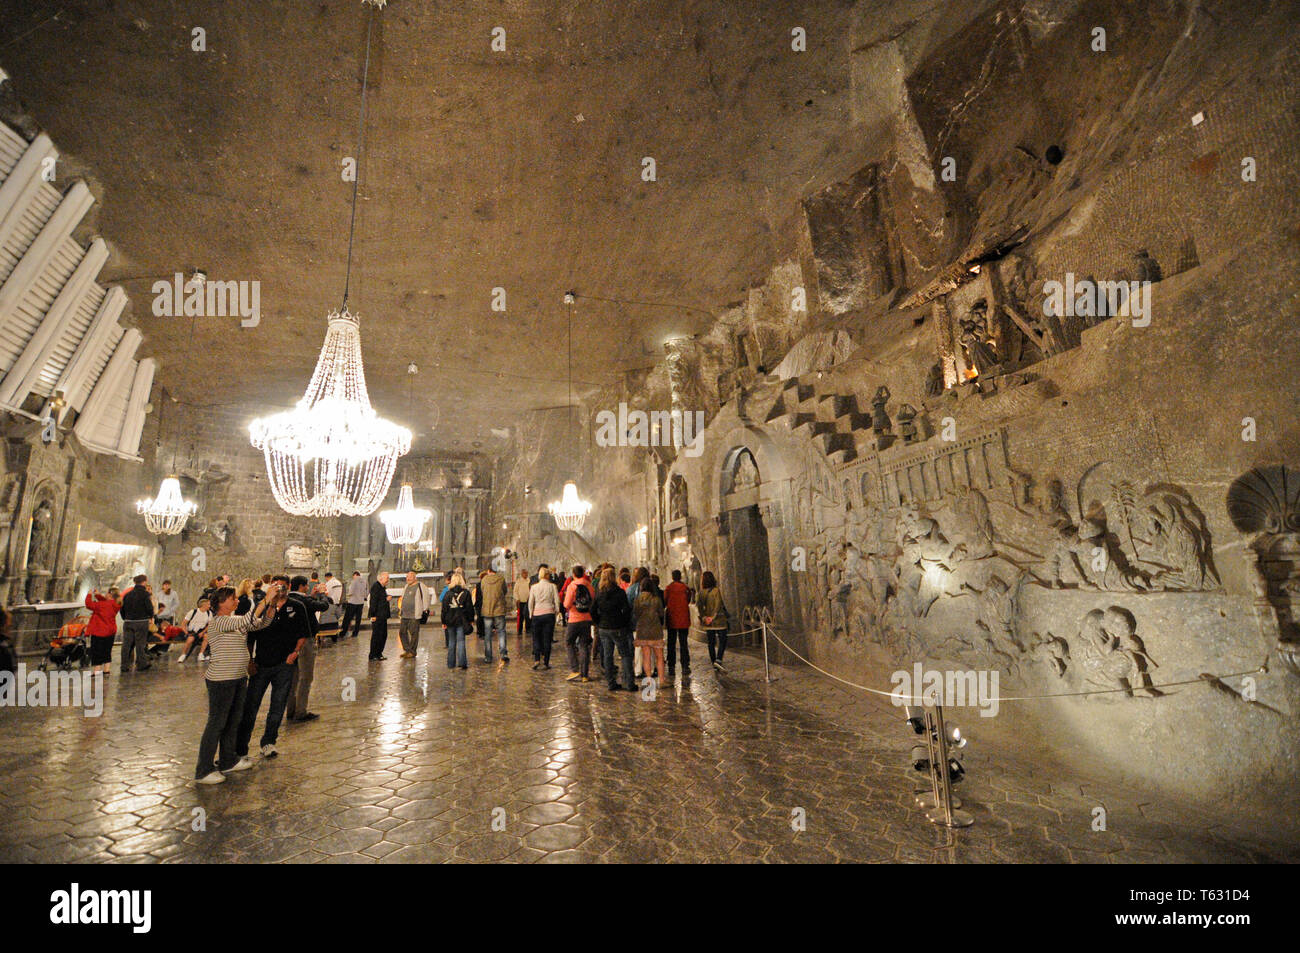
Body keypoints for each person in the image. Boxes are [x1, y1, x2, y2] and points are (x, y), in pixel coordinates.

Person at [195, 585, 279, 784]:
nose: (237, 601)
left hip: (238, 677)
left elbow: (260, 624)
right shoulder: (219, 622)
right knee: (216, 724)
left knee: (233, 721)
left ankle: (228, 760)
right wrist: (264, 599)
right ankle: (203, 769)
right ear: (222, 603)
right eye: (233, 598)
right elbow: (248, 619)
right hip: (221, 680)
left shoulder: (233, 620)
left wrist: (272, 605)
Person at [236, 577, 308, 760]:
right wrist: (249, 661)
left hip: (284, 664)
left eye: (283, 586)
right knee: (250, 706)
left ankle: (268, 742)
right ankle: (241, 748)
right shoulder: (261, 608)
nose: (280, 589)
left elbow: (303, 633)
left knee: (277, 706)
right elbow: (250, 635)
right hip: (261, 663)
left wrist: (295, 652)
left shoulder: (297, 607)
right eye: (276, 586)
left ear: (289, 587)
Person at [287, 575, 331, 721]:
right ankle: (301, 712)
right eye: (306, 586)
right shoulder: (304, 601)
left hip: (290, 642)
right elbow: (323, 606)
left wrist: (311, 596)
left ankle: (291, 710)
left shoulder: (288, 598)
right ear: (301, 586)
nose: (307, 588)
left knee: (293, 677)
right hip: (305, 641)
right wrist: (323, 595)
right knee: (306, 677)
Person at [592, 567, 635, 691]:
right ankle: (629, 683)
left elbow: (593, 609)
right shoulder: (619, 592)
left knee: (607, 655)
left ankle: (611, 683)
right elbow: (626, 609)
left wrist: (598, 621)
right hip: (618, 627)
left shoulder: (599, 593)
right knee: (625, 655)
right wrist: (624, 621)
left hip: (604, 628)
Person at [562, 565, 595, 683]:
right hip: (587, 619)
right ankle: (585, 675)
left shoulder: (572, 586)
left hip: (574, 619)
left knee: (569, 642)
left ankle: (575, 668)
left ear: (574, 574)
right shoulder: (589, 586)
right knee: (584, 645)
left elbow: (566, 604)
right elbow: (592, 600)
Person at [633, 576, 667, 686]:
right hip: (655, 630)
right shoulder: (656, 599)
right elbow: (662, 613)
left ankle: (648, 680)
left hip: (642, 630)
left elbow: (636, 614)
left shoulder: (637, 600)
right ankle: (662, 681)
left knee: (646, 656)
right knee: (659, 657)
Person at [440, 569, 475, 670]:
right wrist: (471, 619)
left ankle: (451, 664)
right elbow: (469, 608)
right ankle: (462, 662)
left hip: (450, 620)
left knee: (451, 642)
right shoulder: (466, 593)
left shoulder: (448, 593)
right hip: (461, 620)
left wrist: (443, 621)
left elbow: (444, 609)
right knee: (461, 641)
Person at [119, 574, 154, 672]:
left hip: (128, 622)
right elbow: (149, 608)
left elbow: (122, 608)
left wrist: (125, 618)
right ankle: (142, 664)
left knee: (126, 644)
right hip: (141, 621)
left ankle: (124, 665)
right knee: (140, 644)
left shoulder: (127, 595)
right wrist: (150, 616)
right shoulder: (145, 594)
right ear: (144, 582)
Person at [697, 571, 730, 673]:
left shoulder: (701, 592)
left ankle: (713, 662)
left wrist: (704, 617)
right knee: (723, 640)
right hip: (719, 620)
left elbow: (699, 606)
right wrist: (713, 617)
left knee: (711, 643)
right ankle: (718, 659)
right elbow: (718, 604)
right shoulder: (716, 591)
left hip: (708, 622)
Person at [527, 567, 559, 670]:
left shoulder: (534, 587)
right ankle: (546, 661)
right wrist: (556, 611)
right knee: (547, 638)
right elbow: (556, 600)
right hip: (549, 613)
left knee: (536, 638)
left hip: (537, 614)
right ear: (546, 575)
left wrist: (531, 613)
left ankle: (537, 659)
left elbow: (531, 602)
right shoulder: (552, 586)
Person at [84, 586, 121, 676]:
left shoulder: (102, 605)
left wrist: (89, 594)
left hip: (99, 631)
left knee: (97, 651)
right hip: (110, 631)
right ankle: (106, 670)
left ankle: (97, 671)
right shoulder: (116, 604)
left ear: (109, 594)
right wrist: (98, 595)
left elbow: (89, 604)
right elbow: (105, 601)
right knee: (107, 650)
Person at [664, 570, 692, 679]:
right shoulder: (685, 588)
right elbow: (688, 600)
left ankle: (671, 665)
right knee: (683, 642)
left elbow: (665, 600)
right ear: (680, 577)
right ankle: (685, 665)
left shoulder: (669, 588)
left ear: (672, 577)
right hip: (683, 618)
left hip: (672, 618)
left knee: (671, 643)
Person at [478, 564, 509, 663]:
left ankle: (488, 656)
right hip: (499, 609)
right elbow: (504, 591)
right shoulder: (501, 579)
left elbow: (482, 592)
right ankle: (503, 653)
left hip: (487, 610)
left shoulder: (484, 580)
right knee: (501, 632)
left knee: (487, 634)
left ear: (488, 570)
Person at [397, 570, 430, 659]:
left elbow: (426, 597)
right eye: (407, 577)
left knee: (414, 633)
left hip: (415, 614)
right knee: (402, 632)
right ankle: (407, 650)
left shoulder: (421, 586)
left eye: (410, 577)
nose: (408, 579)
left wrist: (425, 609)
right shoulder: (406, 586)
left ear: (415, 578)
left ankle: (412, 651)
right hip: (404, 614)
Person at [175, 597, 212, 663]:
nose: (210, 606)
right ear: (204, 605)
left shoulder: (209, 613)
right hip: (192, 631)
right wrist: (186, 633)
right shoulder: (193, 612)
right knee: (190, 639)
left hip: (201, 630)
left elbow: (209, 625)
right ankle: (183, 655)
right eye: (208, 604)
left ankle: (201, 654)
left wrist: (202, 632)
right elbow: (183, 624)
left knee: (206, 637)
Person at [368, 571, 391, 660]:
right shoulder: (376, 587)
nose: (388, 580)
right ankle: (373, 655)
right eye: (387, 578)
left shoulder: (382, 587)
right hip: (377, 616)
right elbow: (374, 602)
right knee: (377, 636)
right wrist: (372, 615)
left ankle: (379, 653)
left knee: (383, 635)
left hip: (382, 616)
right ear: (381, 578)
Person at [342, 571, 366, 640]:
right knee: (358, 619)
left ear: (355, 575)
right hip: (361, 602)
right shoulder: (364, 581)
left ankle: (343, 632)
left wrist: (348, 595)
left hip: (353, 602)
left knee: (348, 618)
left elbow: (351, 592)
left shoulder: (354, 581)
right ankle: (355, 633)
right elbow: (366, 592)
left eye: (353, 576)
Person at [514, 570, 531, 640]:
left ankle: (528, 629)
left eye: (526, 573)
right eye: (524, 573)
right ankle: (519, 630)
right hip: (520, 601)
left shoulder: (529, 581)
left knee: (528, 616)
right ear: (521, 574)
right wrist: (517, 599)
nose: (525, 574)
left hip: (528, 600)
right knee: (520, 616)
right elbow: (515, 591)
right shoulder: (518, 581)